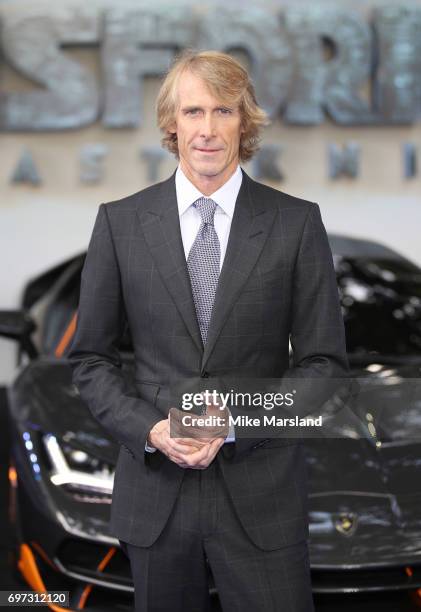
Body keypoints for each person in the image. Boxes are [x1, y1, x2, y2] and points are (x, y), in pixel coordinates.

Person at [68, 49, 348, 612]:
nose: (208, 130)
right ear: (172, 123)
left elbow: (323, 369)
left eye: (223, 111)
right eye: (193, 112)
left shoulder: (296, 223)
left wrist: (235, 422)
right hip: (157, 500)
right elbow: (91, 360)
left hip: (262, 498)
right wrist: (151, 430)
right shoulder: (119, 224)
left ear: (244, 122)